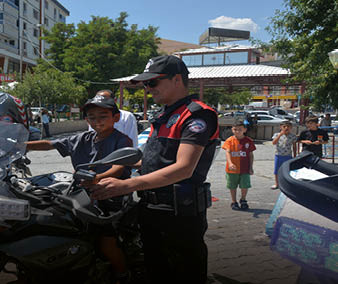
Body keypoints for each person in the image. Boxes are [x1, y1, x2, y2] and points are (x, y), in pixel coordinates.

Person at [91, 55, 219, 284]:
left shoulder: (197, 114)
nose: (148, 88)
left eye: (153, 82)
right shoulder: (165, 114)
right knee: (156, 271)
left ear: (177, 79)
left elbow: (183, 168)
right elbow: (153, 161)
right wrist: (109, 166)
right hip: (152, 208)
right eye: (145, 84)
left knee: (183, 274)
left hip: (179, 214)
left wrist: (127, 184)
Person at [26, 95, 133, 284]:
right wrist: (21, 146)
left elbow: (119, 167)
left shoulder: (122, 140)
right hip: (82, 194)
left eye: (103, 116)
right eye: (92, 117)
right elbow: (50, 144)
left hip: (111, 195)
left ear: (115, 118)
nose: (97, 121)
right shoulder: (82, 138)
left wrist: (98, 178)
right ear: (86, 120)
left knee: (107, 242)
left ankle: (122, 274)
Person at [222, 121, 256, 210]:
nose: (237, 131)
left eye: (240, 129)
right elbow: (228, 152)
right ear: (232, 130)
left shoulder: (249, 141)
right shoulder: (229, 140)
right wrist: (230, 163)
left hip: (245, 168)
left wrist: (251, 167)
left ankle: (243, 199)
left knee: (245, 185)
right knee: (232, 186)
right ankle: (234, 201)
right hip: (232, 169)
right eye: (235, 129)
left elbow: (251, 155)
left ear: (244, 130)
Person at [271, 121, 297, 189]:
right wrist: (280, 135)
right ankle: (277, 184)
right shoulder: (277, 134)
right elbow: (273, 142)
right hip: (278, 155)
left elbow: (294, 146)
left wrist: (295, 155)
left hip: (288, 155)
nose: (286, 128)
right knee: (276, 170)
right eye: (284, 126)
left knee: (288, 170)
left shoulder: (292, 136)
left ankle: (287, 184)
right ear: (281, 127)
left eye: (288, 126)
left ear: (291, 128)